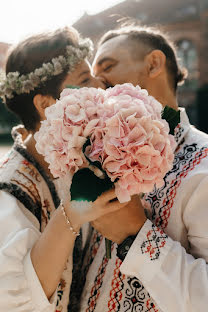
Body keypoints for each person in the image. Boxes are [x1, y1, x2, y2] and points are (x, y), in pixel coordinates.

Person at [74, 26, 208, 311]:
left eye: (107, 67)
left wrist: (135, 234)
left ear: (153, 64)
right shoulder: (93, 155)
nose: (98, 86)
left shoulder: (204, 164)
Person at [0, 27, 128, 312]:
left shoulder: (78, 157)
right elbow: (14, 298)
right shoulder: (11, 188)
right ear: (46, 104)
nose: (101, 84)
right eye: (85, 79)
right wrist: (69, 214)